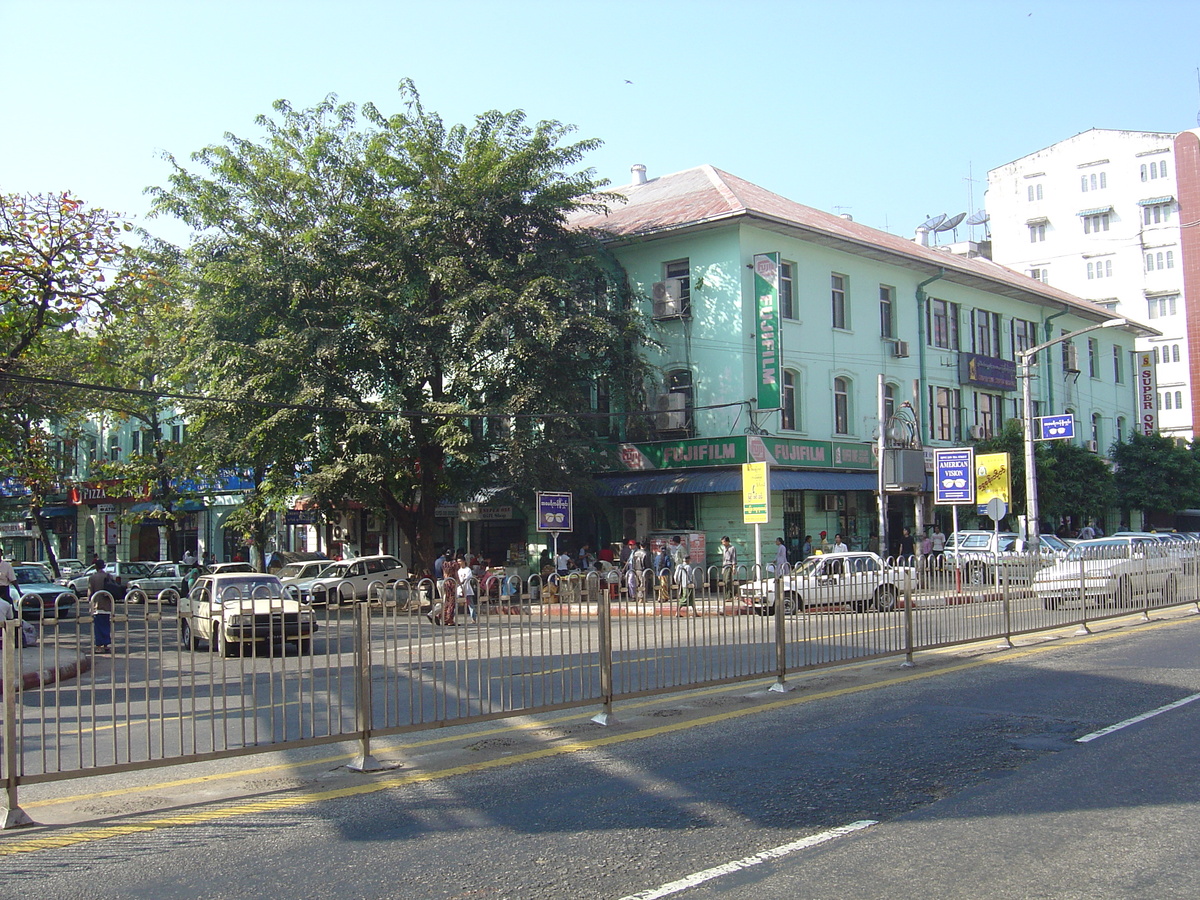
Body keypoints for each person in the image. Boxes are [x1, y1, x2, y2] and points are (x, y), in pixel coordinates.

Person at [88, 559, 114, 653]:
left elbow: (90, 592)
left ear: (96, 567)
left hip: (97, 605)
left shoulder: (93, 578)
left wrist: (90, 603)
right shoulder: (109, 576)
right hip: (107, 604)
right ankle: (106, 645)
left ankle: (99, 646)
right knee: (106, 625)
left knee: (98, 626)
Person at [457, 556, 477, 622]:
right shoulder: (458, 570)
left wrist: (462, 582)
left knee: (470, 604)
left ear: (463, 561)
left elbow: (468, 578)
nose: (459, 563)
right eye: (458, 561)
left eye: (460, 561)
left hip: (467, 588)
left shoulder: (468, 569)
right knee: (455, 603)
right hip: (459, 589)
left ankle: (473, 618)